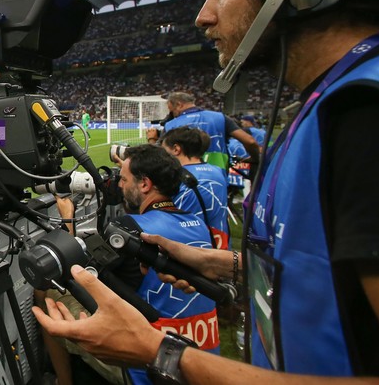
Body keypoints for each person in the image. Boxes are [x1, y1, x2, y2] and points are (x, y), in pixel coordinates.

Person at [33, 0, 379, 381]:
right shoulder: (332, 107)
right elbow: (327, 282)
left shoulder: (367, 115)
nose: (202, 16)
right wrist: (220, 266)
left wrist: (159, 352)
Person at [39, 144, 220, 385]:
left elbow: (81, 273)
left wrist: (68, 220)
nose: (119, 185)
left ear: (144, 184)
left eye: (123, 179)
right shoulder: (197, 222)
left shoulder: (132, 227)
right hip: (204, 354)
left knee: (46, 291)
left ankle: (63, 381)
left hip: (153, 364)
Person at [160, 126, 230, 249]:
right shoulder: (218, 171)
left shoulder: (174, 177)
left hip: (190, 249)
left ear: (176, 149)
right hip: (219, 244)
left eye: (164, 150)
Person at [163, 92, 260, 171]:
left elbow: (163, 155)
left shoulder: (170, 125)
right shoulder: (220, 117)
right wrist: (255, 159)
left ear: (179, 105)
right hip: (218, 176)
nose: (173, 115)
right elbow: (249, 141)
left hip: (184, 177)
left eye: (172, 111)